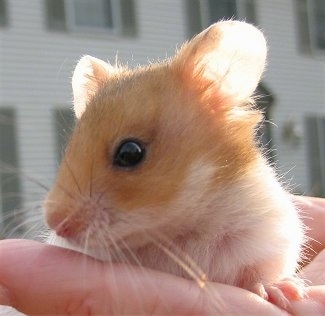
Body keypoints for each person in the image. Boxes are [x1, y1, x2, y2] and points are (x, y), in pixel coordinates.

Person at [0, 196, 324, 315]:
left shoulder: (253, 202)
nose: (54, 217)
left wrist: (269, 281)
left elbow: (277, 238)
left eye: (130, 156)